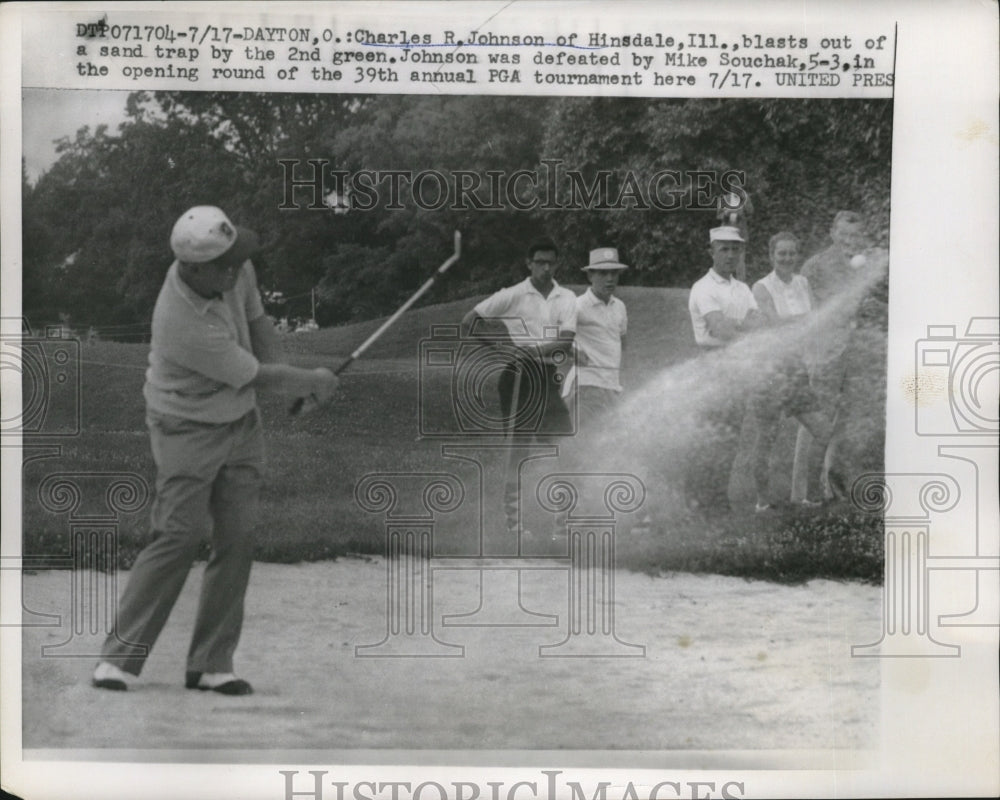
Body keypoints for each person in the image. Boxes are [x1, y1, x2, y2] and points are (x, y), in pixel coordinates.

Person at [92, 206, 339, 695]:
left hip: (241, 421)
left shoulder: (234, 267)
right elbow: (253, 373)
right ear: (193, 268)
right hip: (186, 426)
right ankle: (119, 658)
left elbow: (258, 322)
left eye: (237, 257)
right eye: (225, 264)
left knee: (239, 535)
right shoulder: (178, 318)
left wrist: (295, 387)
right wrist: (310, 380)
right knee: (177, 537)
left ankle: (210, 663)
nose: (237, 268)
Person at [461, 237, 577, 534]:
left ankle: (562, 523)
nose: (546, 268)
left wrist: (535, 351)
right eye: (540, 262)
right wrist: (500, 348)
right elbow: (469, 321)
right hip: (517, 378)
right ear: (529, 264)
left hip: (547, 375)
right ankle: (513, 523)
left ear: (557, 264)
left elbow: (565, 340)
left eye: (551, 262)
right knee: (519, 449)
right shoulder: (513, 294)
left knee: (563, 446)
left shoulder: (567, 297)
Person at [749, 232, 835, 511]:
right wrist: (808, 320)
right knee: (767, 437)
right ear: (771, 256)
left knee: (822, 430)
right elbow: (774, 324)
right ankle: (762, 502)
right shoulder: (761, 288)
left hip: (796, 369)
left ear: (797, 255)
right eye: (781, 253)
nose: (787, 258)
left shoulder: (803, 283)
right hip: (770, 370)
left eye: (791, 253)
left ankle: (809, 495)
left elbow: (813, 324)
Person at [791, 210, 870, 503]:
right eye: (845, 234)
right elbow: (811, 313)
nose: (851, 240)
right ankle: (803, 491)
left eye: (856, 235)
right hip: (824, 353)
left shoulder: (861, 265)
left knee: (843, 422)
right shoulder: (816, 266)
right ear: (833, 233)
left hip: (853, 352)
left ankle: (831, 487)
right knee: (816, 421)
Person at [685, 225, 763, 514]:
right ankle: (699, 500)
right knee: (710, 434)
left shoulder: (742, 288)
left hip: (738, 366)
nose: (731, 255)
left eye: (735, 249)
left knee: (731, 434)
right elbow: (720, 330)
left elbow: (759, 323)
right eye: (724, 249)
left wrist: (737, 327)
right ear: (712, 252)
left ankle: (718, 498)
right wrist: (743, 327)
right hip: (712, 363)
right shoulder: (702, 288)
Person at [562, 247, 629, 430]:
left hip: (611, 386)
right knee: (584, 444)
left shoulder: (620, 307)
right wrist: (571, 350)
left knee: (607, 447)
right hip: (585, 385)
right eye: (603, 273)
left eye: (614, 273)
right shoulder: (577, 306)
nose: (610, 279)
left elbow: (622, 343)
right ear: (590, 276)